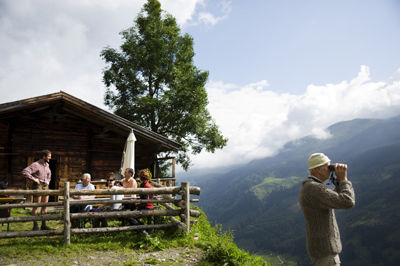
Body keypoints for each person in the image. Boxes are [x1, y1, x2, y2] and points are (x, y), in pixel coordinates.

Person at [299, 153, 355, 266]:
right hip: (326, 253)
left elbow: (334, 199)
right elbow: (347, 202)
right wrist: (343, 180)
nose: (331, 170)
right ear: (318, 169)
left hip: (321, 250)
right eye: (328, 167)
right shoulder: (315, 189)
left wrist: (338, 182)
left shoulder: (310, 187)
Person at [22, 150, 52, 231]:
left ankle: (43, 225)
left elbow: (49, 175)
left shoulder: (47, 165)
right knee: (36, 206)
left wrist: (48, 180)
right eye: (49, 156)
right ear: (43, 156)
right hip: (38, 186)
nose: (50, 158)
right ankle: (35, 225)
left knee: (44, 206)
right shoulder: (36, 164)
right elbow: (25, 172)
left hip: (46, 186)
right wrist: (34, 179)